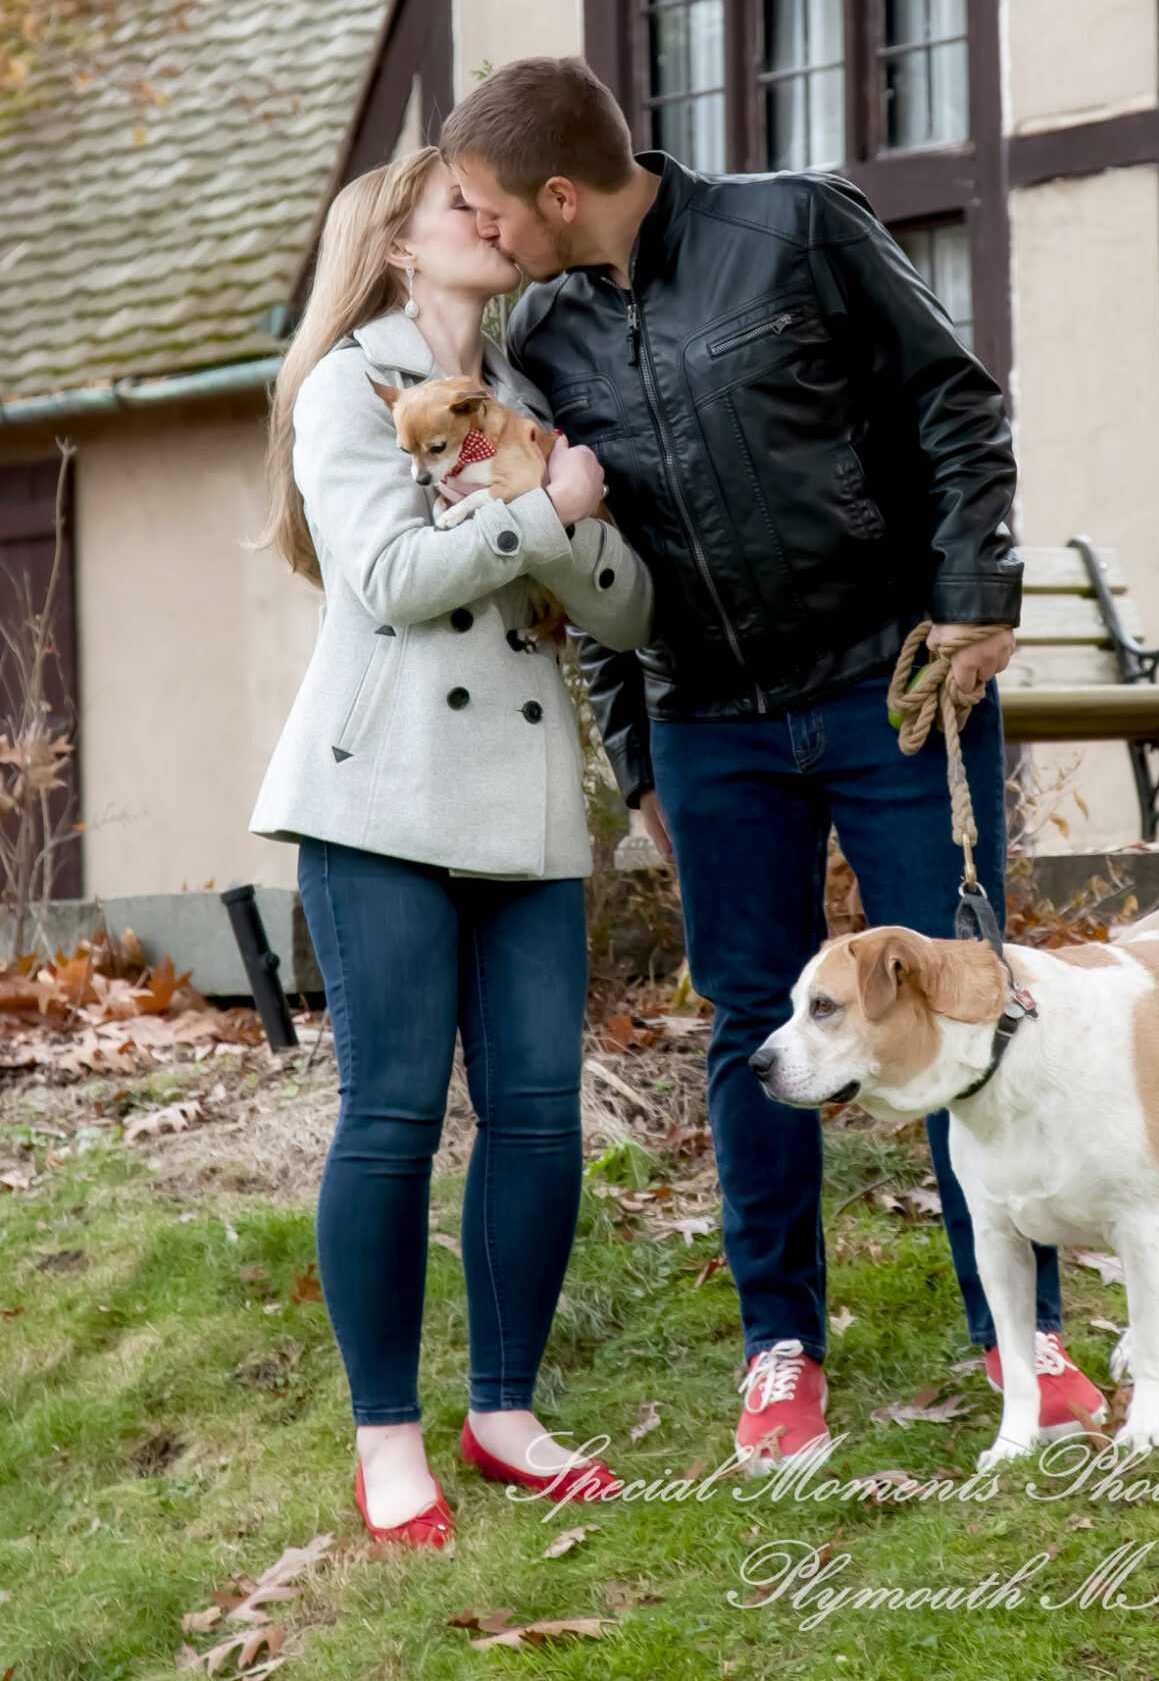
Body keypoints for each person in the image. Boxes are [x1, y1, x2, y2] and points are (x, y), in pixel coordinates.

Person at [439, 59, 1104, 1463]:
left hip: (892, 684)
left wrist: (978, 586)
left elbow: (955, 401)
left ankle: (1021, 1335)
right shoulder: (544, 339)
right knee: (756, 1028)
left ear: (561, 195)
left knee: (966, 990)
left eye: (496, 213)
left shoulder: (796, 227)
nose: (485, 237)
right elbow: (590, 570)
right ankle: (781, 1348)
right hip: (710, 726)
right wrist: (642, 765)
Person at [251, 146, 653, 1543]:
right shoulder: (346, 396)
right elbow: (391, 576)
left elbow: (624, 611)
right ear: (400, 246)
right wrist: (544, 514)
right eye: (457, 208)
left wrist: (563, 522)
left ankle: (506, 1413)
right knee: (396, 1114)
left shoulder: (535, 397)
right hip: (382, 794)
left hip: (528, 800)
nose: (491, 218)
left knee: (540, 1113)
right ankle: (385, 1439)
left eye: (492, 203)